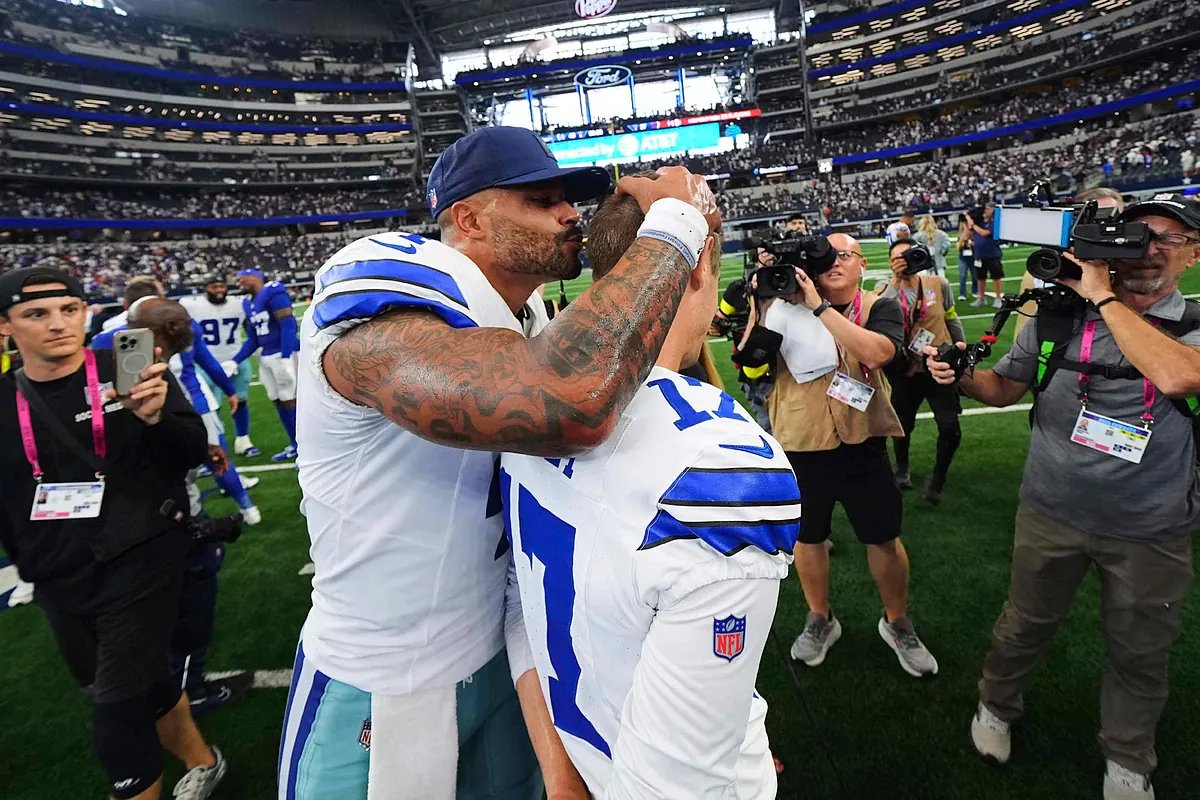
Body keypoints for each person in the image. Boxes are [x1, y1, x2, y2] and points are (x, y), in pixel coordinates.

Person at [281, 127, 721, 799]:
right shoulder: (388, 291)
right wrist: (676, 224)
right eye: (542, 200)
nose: (569, 214)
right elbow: (565, 402)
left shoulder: (532, 319)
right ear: (468, 219)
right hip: (378, 677)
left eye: (569, 200)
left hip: (501, 656)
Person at [502, 184, 796, 798]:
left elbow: (518, 600)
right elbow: (675, 787)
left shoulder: (522, 405)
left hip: (591, 748)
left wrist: (562, 777)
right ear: (693, 271)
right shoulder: (721, 468)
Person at [926, 193, 1200, 800]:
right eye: (1137, 237)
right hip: (1051, 509)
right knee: (1023, 626)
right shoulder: (1056, 317)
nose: (1149, 251)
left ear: (1193, 253)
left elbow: (1178, 377)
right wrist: (959, 373)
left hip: (1152, 526)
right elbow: (1002, 390)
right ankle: (996, 705)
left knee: (1141, 652)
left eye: (1168, 240)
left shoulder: (1193, 320)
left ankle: (1129, 756)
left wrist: (1100, 293)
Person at [0, 267, 226, 800]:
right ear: (5, 326)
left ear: (85, 311)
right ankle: (205, 760)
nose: (58, 324)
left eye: (69, 310)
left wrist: (154, 419)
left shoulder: (128, 367)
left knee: (116, 713)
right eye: (36, 314)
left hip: (141, 556)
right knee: (140, 685)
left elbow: (193, 449)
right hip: (57, 574)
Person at [757, 233, 938, 677]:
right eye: (828, 255)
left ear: (862, 264)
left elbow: (880, 352)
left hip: (863, 439)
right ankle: (820, 617)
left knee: (883, 536)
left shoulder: (879, 306)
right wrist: (762, 295)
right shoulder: (783, 304)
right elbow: (751, 359)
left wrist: (820, 308)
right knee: (809, 537)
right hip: (802, 440)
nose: (835, 262)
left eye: (846, 255)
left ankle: (897, 621)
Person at [874, 239, 965, 503]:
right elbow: (875, 317)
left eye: (910, 255)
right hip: (905, 369)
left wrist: (963, 353)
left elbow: (950, 317)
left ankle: (938, 478)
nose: (905, 261)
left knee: (950, 427)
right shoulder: (885, 288)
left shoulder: (938, 283)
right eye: (898, 257)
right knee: (902, 426)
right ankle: (902, 469)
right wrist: (895, 279)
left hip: (939, 365)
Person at [1013, 188, 1126, 338]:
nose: (1104, 228)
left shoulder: (1137, 271)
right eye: (1096, 220)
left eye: (1113, 219)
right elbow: (1022, 336)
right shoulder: (1045, 274)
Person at [181, 276, 257, 456]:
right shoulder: (191, 305)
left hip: (235, 359)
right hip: (206, 363)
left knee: (241, 400)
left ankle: (243, 440)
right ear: (205, 288)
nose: (219, 290)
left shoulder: (239, 303)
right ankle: (211, 448)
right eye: (214, 286)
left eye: (222, 286)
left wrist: (237, 359)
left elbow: (252, 333)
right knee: (209, 408)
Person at [229, 268, 298, 462]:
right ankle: (295, 444)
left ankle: (306, 448)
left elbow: (289, 325)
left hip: (283, 353)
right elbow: (253, 339)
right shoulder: (247, 303)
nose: (238, 284)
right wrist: (235, 360)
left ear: (254, 278)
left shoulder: (273, 291)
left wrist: (286, 356)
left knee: (292, 401)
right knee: (278, 400)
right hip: (266, 356)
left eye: (241, 280)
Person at [967, 202, 1004, 308]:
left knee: (996, 277)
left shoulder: (994, 222)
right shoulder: (980, 222)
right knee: (980, 277)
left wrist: (973, 225)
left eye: (988, 209)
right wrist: (969, 220)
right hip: (979, 254)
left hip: (992, 254)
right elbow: (969, 233)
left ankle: (998, 298)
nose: (986, 210)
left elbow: (985, 233)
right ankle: (981, 298)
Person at [913, 214, 952, 278]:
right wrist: (942, 253)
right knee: (940, 286)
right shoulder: (942, 234)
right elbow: (947, 247)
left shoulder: (917, 236)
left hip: (923, 267)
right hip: (939, 264)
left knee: (925, 286)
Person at [956, 213, 976, 301]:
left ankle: (975, 291)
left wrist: (972, 243)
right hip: (962, 258)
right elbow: (957, 248)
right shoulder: (960, 234)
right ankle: (962, 293)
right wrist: (961, 242)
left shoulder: (973, 232)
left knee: (975, 275)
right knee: (962, 276)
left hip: (973, 257)